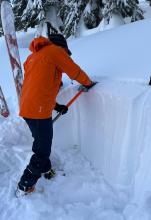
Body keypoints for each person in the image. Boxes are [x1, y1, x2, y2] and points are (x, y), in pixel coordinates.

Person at [17, 34, 94, 194]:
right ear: (62, 47)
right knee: (42, 150)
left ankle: (45, 170)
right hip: (38, 111)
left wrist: (57, 106)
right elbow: (74, 71)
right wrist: (88, 82)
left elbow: (40, 87)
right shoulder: (54, 51)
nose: (66, 56)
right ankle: (25, 183)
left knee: (40, 142)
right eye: (66, 52)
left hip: (28, 108)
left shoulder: (34, 57)